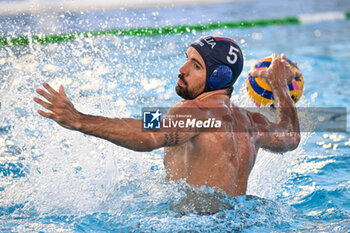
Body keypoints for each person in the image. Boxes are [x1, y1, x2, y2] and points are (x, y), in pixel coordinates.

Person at [33, 36, 300, 197]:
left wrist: (79, 119)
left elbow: (148, 134)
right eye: (187, 59)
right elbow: (291, 135)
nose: (182, 69)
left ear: (218, 77)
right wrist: (279, 86)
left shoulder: (195, 112)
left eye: (195, 66)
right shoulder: (251, 123)